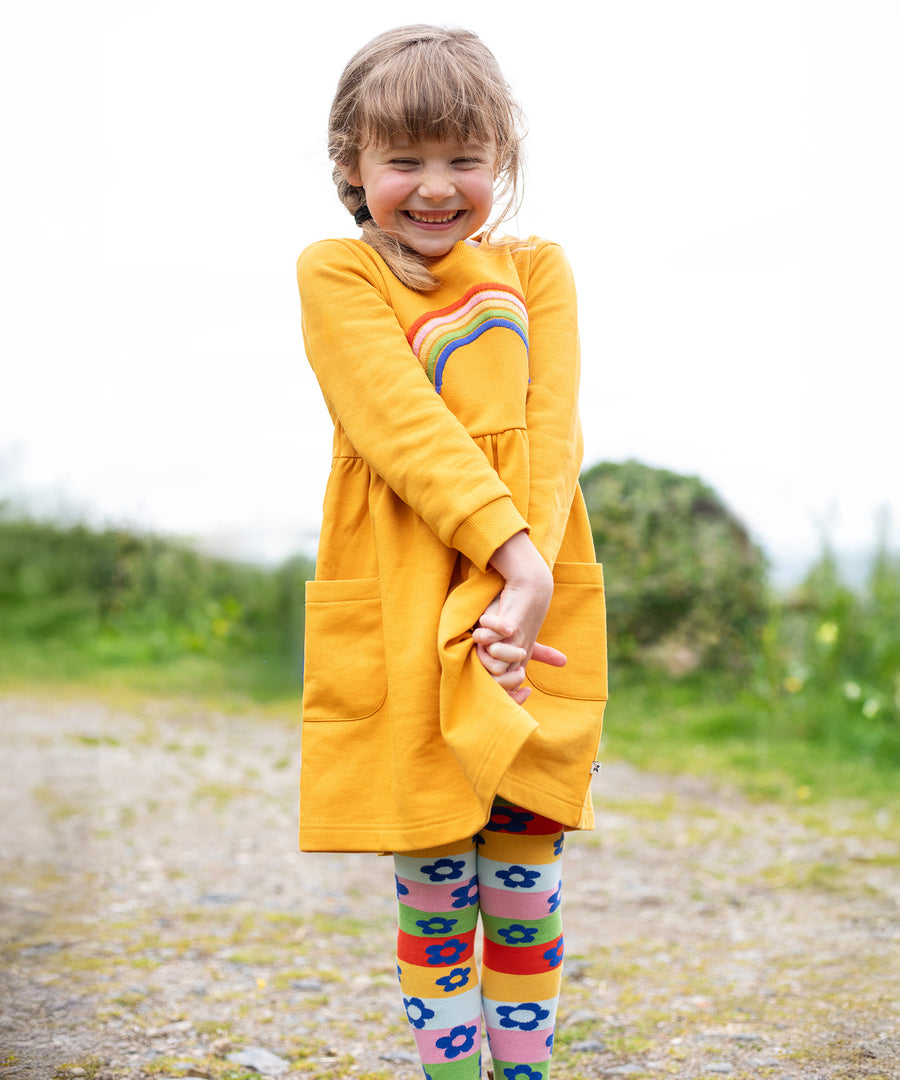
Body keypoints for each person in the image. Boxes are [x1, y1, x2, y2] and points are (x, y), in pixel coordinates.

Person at [295, 24, 608, 1080]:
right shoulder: (339, 274)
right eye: (404, 159)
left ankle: (523, 1071)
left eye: (463, 158)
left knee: (526, 882)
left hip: (532, 618)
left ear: (500, 164)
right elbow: (405, 432)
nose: (436, 188)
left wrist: (526, 586)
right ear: (353, 167)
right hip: (409, 602)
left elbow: (552, 432)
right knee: (433, 876)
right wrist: (514, 567)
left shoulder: (539, 272)